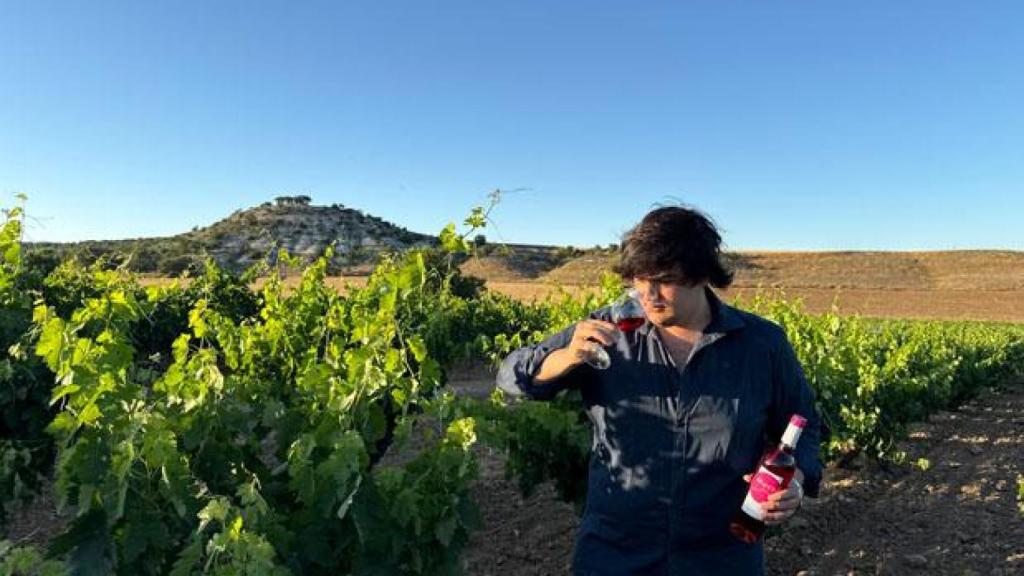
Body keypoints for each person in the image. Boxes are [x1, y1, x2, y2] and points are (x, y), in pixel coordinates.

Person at [496, 205, 823, 575]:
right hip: (615, 554)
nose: (648, 295)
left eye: (664, 279)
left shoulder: (762, 345)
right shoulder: (606, 330)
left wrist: (793, 482)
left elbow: (806, 424)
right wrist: (566, 358)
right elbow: (512, 377)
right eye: (638, 278)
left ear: (702, 275)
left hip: (720, 556)